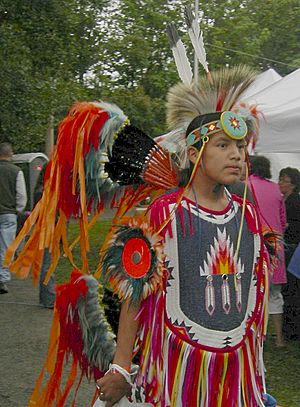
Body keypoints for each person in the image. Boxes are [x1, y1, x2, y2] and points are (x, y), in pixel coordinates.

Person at [96, 67, 274, 406]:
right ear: (194, 154)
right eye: (222, 145)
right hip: (177, 374)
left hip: (237, 373)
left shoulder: (247, 215)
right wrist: (121, 367)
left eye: (239, 146)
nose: (236, 154)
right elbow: (135, 294)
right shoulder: (165, 213)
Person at [248, 156, 286, 347]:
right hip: (276, 247)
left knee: (253, 295)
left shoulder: (245, 185)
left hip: (254, 244)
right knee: (275, 295)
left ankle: (257, 338)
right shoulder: (275, 188)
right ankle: (279, 338)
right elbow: (283, 220)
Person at [0, 142, 27, 294]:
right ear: (11, 154)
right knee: (6, 247)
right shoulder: (16, 171)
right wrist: (17, 210)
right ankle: (2, 279)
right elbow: (21, 196)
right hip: (8, 214)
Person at [278, 167, 300, 340]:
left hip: (293, 247)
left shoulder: (295, 201)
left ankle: (292, 329)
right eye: (280, 179)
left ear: (292, 183)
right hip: (285, 247)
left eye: (284, 180)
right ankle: (287, 327)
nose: (280, 183)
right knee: (286, 289)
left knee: (292, 289)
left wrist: (287, 227)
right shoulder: (281, 199)